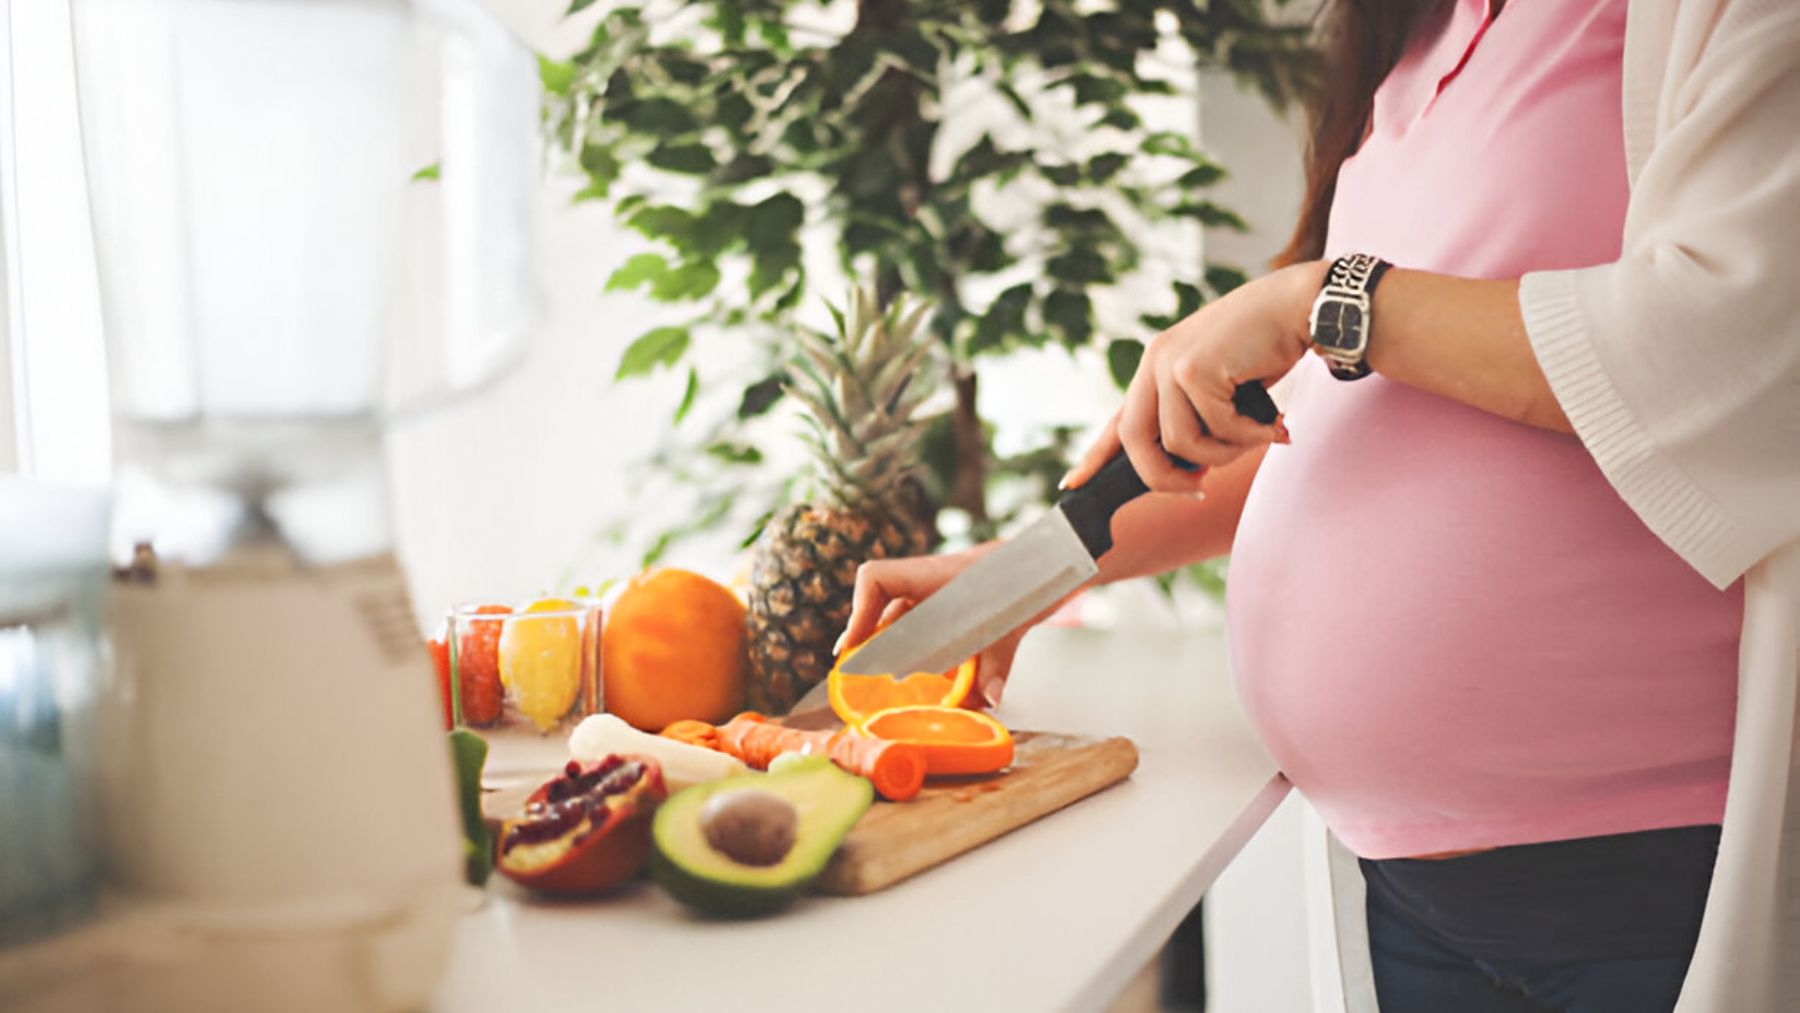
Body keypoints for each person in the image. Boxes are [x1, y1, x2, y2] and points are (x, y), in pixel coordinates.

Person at [839, 1, 1800, 1010]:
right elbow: (1313, 425)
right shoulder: (1413, 40)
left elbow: (1723, 345)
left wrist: (1324, 301)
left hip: (1639, 875)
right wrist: (1017, 571)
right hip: (1408, 883)